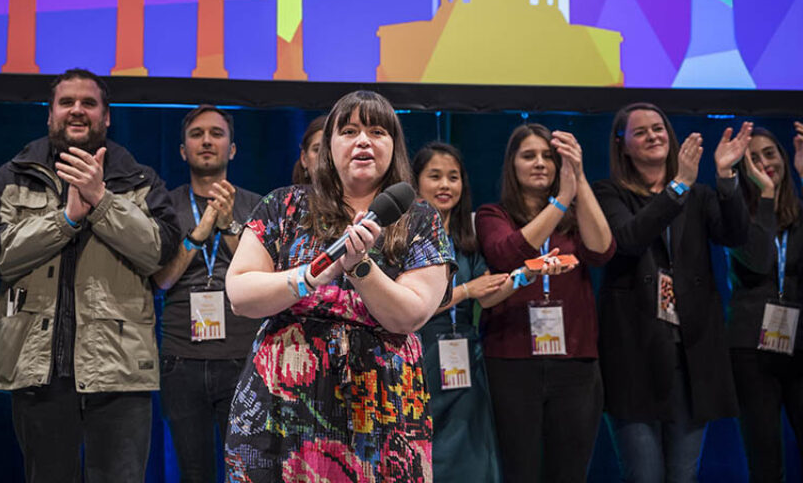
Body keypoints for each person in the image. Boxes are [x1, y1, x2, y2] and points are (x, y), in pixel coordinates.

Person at [223, 90, 453, 482]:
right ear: (328, 147)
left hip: (382, 407)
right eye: (349, 130)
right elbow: (241, 294)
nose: (363, 140)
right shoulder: (283, 206)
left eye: (377, 131)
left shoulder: (419, 219)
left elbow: (410, 313)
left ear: (393, 147)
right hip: (280, 406)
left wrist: (360, 267)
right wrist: (312, 274)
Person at [0, 68, 180, 483]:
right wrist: (66, 219)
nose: (77, 111)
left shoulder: (140, 179)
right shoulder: (13, 176)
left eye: (89, 103)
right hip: (37, 371)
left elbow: (158, 251)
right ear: (50, 115)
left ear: (107, 117)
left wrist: (101, 200)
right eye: (67, 103)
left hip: (118, 371)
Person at [592, 102, 752, 482]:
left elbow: (735, 235)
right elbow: (628, 240)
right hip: (634, 356)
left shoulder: (699, 196)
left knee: (682, 475)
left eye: (659, 128)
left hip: (691, 356)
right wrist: (678, 185)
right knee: (644, 475)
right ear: (623, 145)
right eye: (641, 131)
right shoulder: (608, 193)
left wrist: (726, 175)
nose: (653, 136)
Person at [474, 124, 615, 482]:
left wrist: (578, 179)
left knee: (569, 472)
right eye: (529, 155)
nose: (540, 163)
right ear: (512, 165)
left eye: (548, 157)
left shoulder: (572, 216)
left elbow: (602, 250)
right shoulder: (494, 215)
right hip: (512, 362)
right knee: (520, 470)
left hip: (575, 363)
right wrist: (560, 200)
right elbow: (507, 254)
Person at [152, 105, 262, 482]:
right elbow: (161, 281)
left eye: (216, 133)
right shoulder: (165, 204)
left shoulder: (257, 206)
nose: (207, 141)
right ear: (183, 150)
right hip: (181, 359)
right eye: (197, 134)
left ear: (232, 149)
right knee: (192, 472)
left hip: (243, 358)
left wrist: (229, 224)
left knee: (247, 472)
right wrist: (198, 234)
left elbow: (266, 278)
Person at [727, 122, 803, 481]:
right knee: (765, 458)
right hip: (752, 349)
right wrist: (766, 195)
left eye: (770, 154)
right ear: (743, 169)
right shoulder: (737, 214)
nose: (765, 162)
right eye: (753, 159)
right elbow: (756, 258)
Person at [411, 142, 503, 482]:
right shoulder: (404, 238)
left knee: (473, 456)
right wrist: (466, 291)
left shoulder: (469, 235)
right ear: (416, 182)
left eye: (453, 177)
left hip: (465, 356)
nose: (445, 186)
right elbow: (409, 303)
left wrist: (523, 276)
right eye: (434, 176)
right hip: (420, 354)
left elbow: (489, 294)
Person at [292, 114, 326, 185]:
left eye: (331, 150)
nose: (323, 157)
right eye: (317, 150)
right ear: (304, 158)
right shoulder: (281, 195)